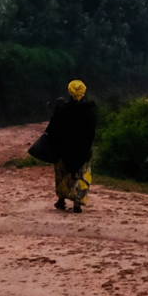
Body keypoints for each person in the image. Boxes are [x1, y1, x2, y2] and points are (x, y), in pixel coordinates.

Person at [37, 78, 98, 213]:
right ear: (84, 92)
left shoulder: (62, 108)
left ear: (69, 91)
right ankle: (77, 204)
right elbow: (92, 132)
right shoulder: (89, 110)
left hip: (63, 148)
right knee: (81, 175)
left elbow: (53, 128)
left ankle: (61, 200)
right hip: (82, 149)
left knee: (62, 175)